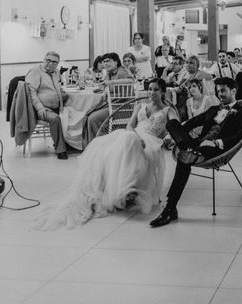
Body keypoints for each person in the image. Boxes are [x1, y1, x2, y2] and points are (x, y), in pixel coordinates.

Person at [36, 79, 178, 229]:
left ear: (162, 92)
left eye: (155, 90)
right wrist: (137, 136)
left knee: (126, 141)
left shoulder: (168, 110)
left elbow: (176, 127)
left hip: (151, 141)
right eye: (149, 89)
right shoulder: (140, 106)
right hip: (133, 134)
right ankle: (115, 190)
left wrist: (173, 140)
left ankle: (126, 190)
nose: (151, 93)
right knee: (117, 143)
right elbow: (130, 125)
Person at [149, 77, 242, 227]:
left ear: (234, 91)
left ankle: (170, 209)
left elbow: (239, 136)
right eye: (218, 91)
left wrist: (216, 142)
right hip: (197, 145)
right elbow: (191, 123)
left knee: (184, 158)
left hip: (216, 148)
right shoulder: (213, 110)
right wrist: (175, 137)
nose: (220, 94)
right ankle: (186, 148)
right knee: (172, 123)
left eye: (223, 90)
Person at [25, 52, 68, 159]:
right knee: (55, 119)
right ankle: (61, 149)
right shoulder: (35, 71)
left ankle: (70, 144)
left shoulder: (56, 72)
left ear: (57, 64)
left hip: (57, 107)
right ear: (44, 59)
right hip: (40, 109)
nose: (50, 63)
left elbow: (58, 87)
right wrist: (40, 108)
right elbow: (31, 93)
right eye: (48, 60)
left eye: (54, 62)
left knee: (74, 114)